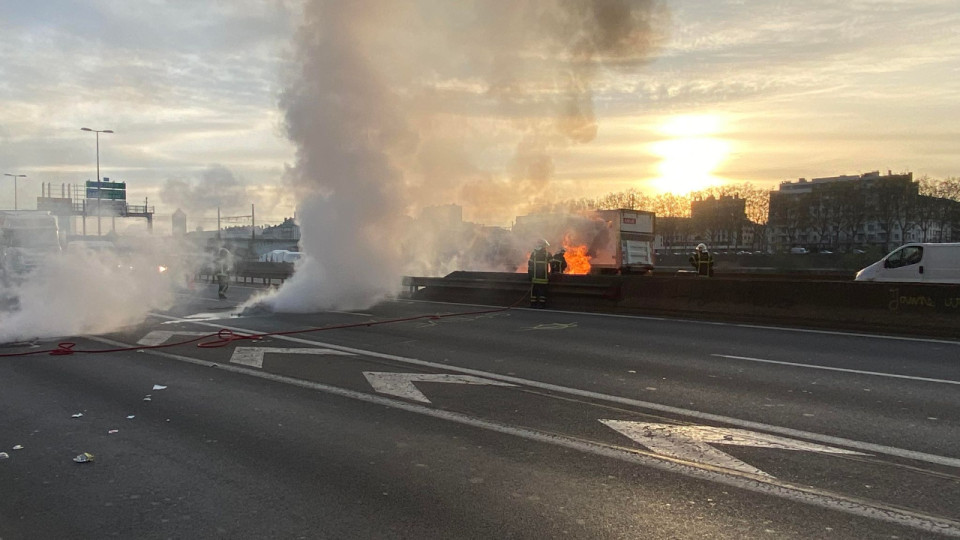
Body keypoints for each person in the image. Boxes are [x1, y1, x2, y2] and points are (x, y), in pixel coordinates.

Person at [527, 239, 551, 308]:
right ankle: (542, 304)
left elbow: (530, 265)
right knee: (543, 291)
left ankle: (533, 304)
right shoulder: (547, 254)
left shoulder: (533, 254)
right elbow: (553, 264)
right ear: (543, 246)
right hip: (544, 277)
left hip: (535, 277)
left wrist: (530, 274)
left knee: (534, 290)